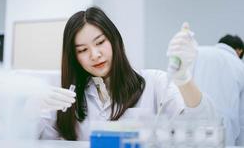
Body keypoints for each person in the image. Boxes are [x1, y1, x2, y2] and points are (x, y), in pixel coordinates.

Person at [35, 7, 216, 141]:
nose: (94, 55)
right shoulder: (70, 98)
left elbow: (204, 129)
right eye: (82, 50)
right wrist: (35, 108)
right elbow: (42, 141)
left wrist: (183, 78)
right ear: (75, 58)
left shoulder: (154, 83)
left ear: (114, 40)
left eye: (100, 42)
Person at [193, 34, 244, 146]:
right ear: (239, 50)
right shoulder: (240, 67)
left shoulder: (197, 53)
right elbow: (242, 118)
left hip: (192, 128)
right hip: (225, 133)